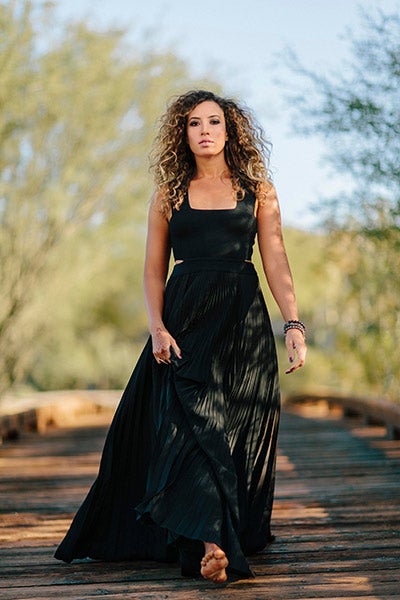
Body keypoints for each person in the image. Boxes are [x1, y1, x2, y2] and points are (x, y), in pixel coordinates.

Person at [54, 89, 306, 584]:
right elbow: (153, 271)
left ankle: (222, 534)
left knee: (232, 432)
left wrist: (293, 324)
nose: (205, 130)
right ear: (183, 133)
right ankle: (213, 546)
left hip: (243, 324)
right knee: (193, 429)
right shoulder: (168, 195)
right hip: (185, 322)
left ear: (230, 131)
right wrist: (157, 326)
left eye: (214, 122)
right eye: (194, 123)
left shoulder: (258, 190)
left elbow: (276, 260)